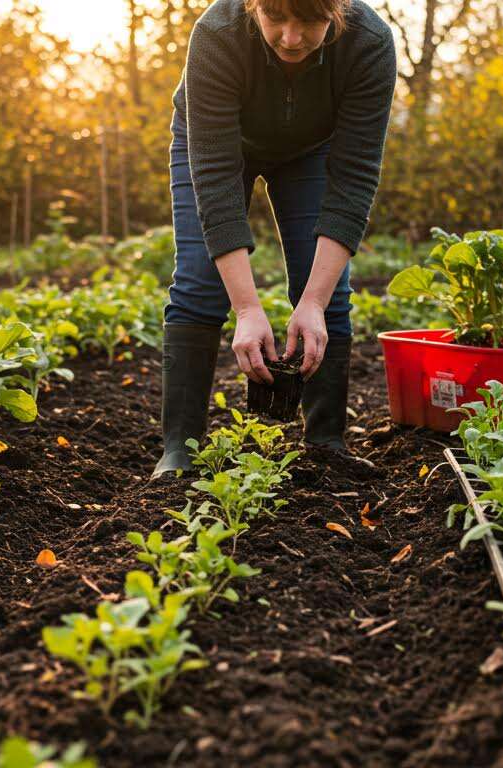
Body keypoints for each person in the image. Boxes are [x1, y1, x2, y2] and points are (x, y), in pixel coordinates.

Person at [155, 0, 397, 476]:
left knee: (327, 293)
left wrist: (312, 300)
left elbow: (354, 182)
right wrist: (247, 308)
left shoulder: (369, 43)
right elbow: (217, 181)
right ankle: (179, 449)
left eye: (310, 22)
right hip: (215, 147)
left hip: (312, 151)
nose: (291, 38)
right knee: (199, 285)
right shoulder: (218, 35)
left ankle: (326, 442)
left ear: (338, 10)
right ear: (253, 5)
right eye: (275, 19)